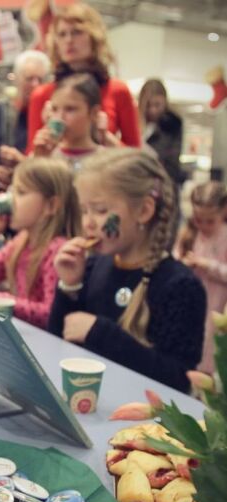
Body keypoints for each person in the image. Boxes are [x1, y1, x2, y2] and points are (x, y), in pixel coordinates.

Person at [49, 149, 206, 393]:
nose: (88, 222)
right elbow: (59, 344)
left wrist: (100, 333)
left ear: (144, 211)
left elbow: (179, 379)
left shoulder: (180, 286)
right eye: (84, 210)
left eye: (100, 211)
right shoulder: (93, 266)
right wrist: (69, 286)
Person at [0, 158, 80, 328]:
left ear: (51, 205)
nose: (10, 200)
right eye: (11, 190)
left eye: (20, 192)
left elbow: (51, 314)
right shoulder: (22, 241)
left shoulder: (58, 249)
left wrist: (2, 300)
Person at [26, 2, 140, 152]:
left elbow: (136, 155)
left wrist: (106, 138)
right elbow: (32, 156)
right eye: (62, 34)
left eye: (77, 32)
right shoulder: (42, 94)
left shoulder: (117, 90)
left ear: (94, 37)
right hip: (58, 174)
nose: (69, 40)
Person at [175, 182, 227, 375]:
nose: (203, 226)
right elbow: (175, 258)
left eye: (210, 221)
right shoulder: (189, 233)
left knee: (212, 354)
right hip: (190, 303)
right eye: (199, 220)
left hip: (218, 307)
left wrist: (208, 265)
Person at [0, 50, 50, 190]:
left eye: (40, 79)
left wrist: (23, 163)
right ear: (17, 79)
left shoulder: (51, 115)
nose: (35, 85)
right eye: (29, 79)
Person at [32, 73, 102, 171]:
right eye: (54, 109)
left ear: (94, 113)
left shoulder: (107, 162)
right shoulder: (42, 155)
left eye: (70, 109)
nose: (59, 118)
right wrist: (39, 161)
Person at [138, 79, 184, 189]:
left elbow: (172, 164)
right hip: (138, 183)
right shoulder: (135, 122)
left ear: (165, 102)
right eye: (148, 105)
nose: (153, 110)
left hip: (162, 185)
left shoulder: (173, 126)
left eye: (157, 105)